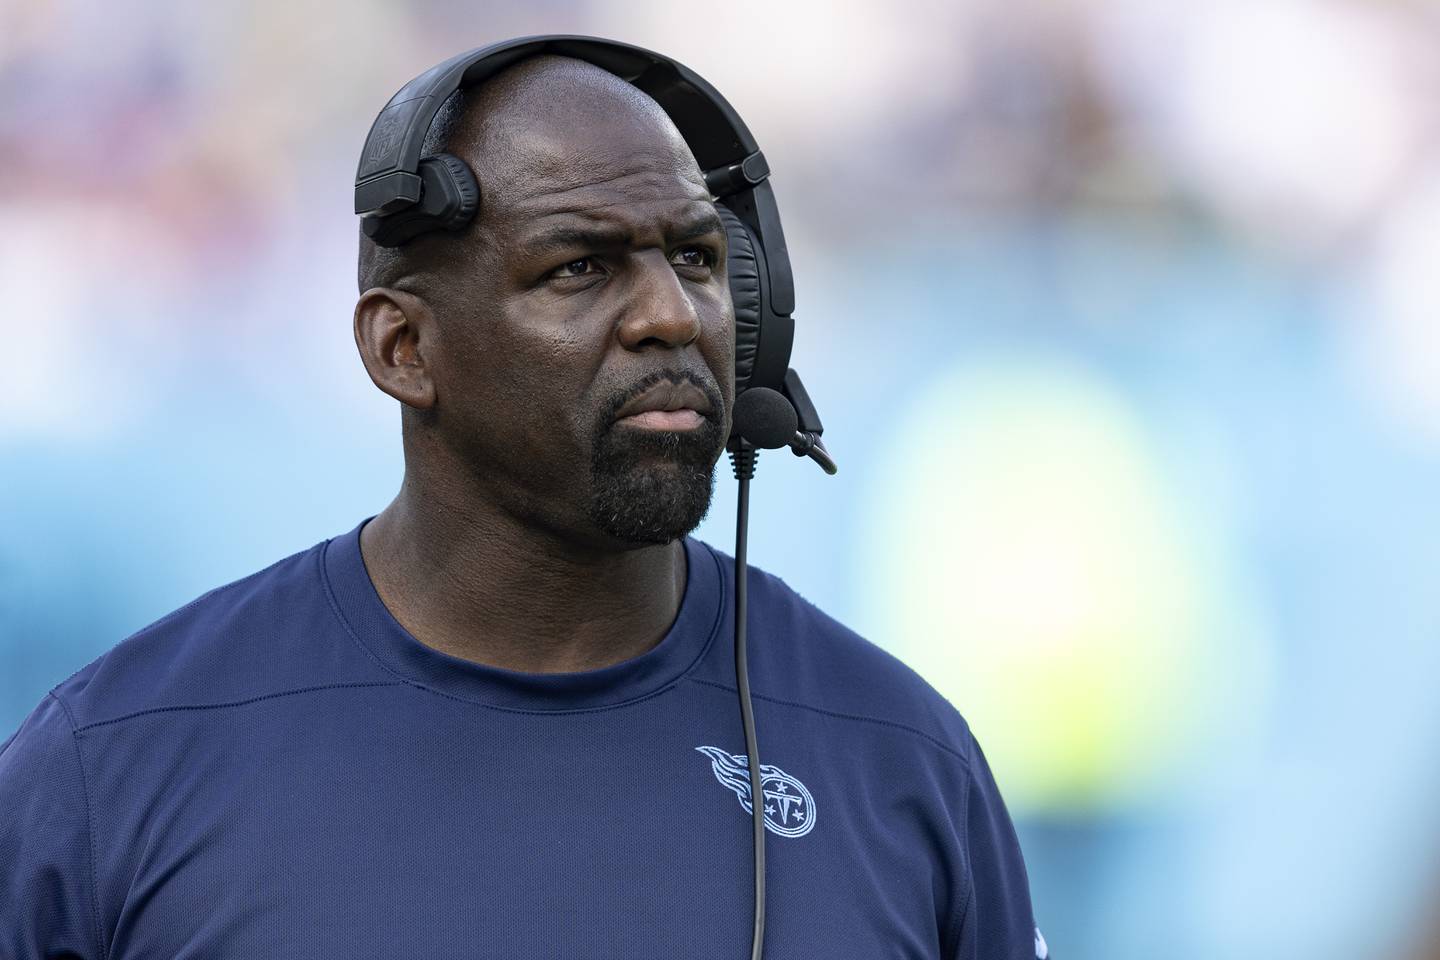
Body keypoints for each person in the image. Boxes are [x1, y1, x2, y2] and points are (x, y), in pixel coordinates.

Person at [0, 49, 1046, 959]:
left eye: (697, 258)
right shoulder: (115, 765)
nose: (671, 316)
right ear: (403, 349)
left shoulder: (899, 755)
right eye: (581, 266)